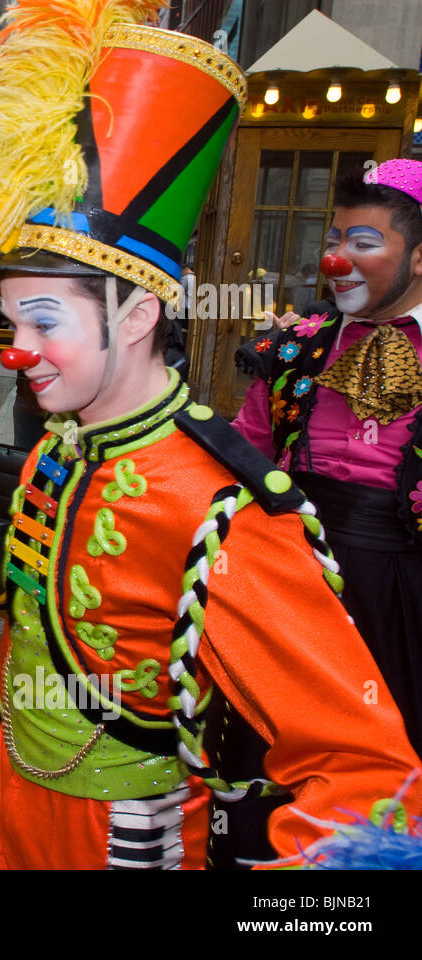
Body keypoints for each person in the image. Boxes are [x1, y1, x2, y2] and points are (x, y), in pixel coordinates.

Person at [0, 0, 420, 869]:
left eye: (43, 322)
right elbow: (29, 638)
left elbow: (369, 770)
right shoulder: (58, 448)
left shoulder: (224, 508)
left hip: (124, 843)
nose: (15, 352)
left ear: (137, 314)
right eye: (10, 321)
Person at [233, 158, 422, 756]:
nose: (336, 259)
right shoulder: (293, 347)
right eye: (333, 240)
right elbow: (247, 452)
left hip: (401, 591)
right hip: (292, 571)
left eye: (363, 243)